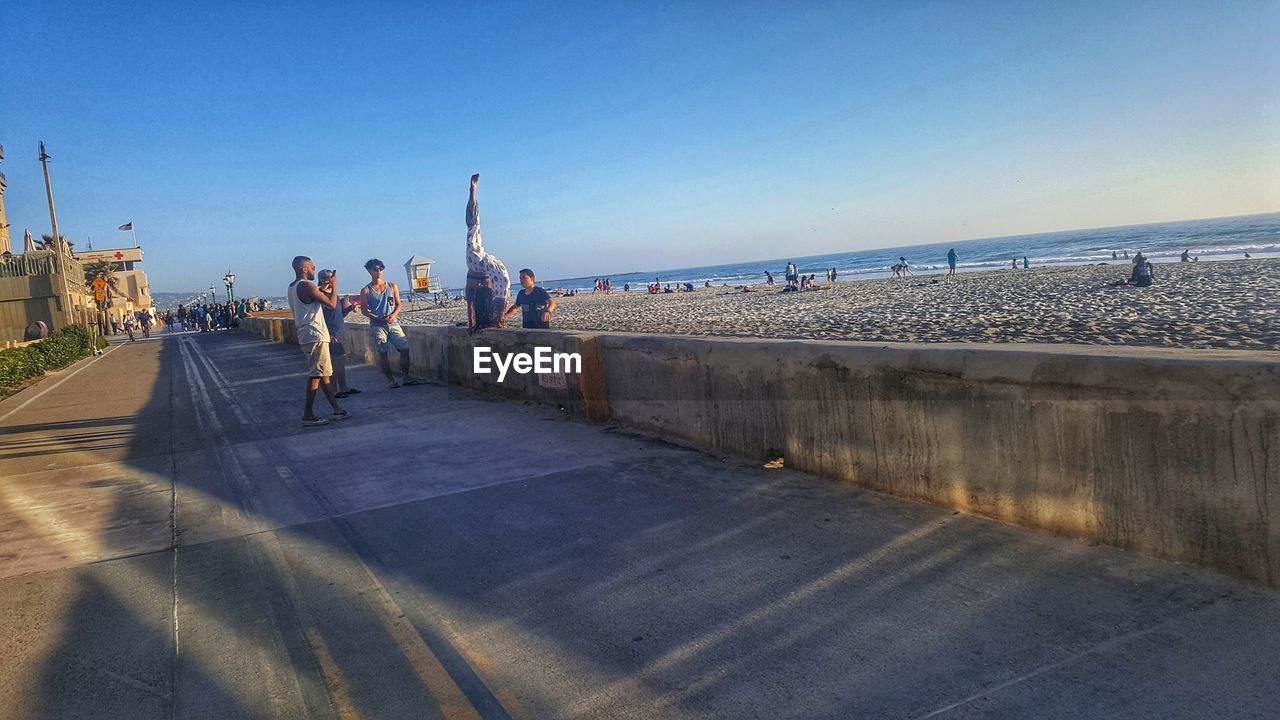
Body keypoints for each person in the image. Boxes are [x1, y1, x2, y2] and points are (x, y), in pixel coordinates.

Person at [288, 255, 349, 426]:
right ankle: (308, 414)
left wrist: (323, 288)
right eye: (312, 267)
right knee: (317, 374)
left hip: (305, 334)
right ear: (304, 269)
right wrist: (334, 286)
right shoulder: (307, 285)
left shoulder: (293, 287)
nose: (314, 270)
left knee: (323, 374)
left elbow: (312, 298)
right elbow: (331, 303)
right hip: (316, 335)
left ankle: (336, 409)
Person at [360, 258, 419, 388]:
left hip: (393, 322)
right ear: (369, 271)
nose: (379, 271)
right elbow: (364, 310)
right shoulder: (366, 290)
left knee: (404, 348)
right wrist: (376, 317)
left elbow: (398, 304)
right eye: (375, 269)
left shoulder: (392, 286)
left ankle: (406, 377)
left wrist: (393, 315)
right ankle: (391, 380)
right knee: (383, 352)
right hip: (378, 325)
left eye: (381, 269)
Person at [464, 173, 510, 332]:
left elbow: (470, 303)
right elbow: (470, 302)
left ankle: (496, 320)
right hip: (479, 267)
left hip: (481, 266)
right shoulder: (481, 266)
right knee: (473, 229)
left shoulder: (483, 263)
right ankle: (496, 320)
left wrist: (471, 324)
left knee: (473, 229)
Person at [317, 269, 360, 398]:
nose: (329, 280)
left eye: (331, 277)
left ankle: (343, 387)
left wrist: (350, 308)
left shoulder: (334, 294)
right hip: (331, 334)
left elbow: (339, 314)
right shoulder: (320, 294)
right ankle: (334, 390)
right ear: (320, 280)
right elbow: (328, 308)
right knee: (334, 364)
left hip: (340, 332)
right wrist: (333, 286)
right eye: (325, 277)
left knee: (341, 362)